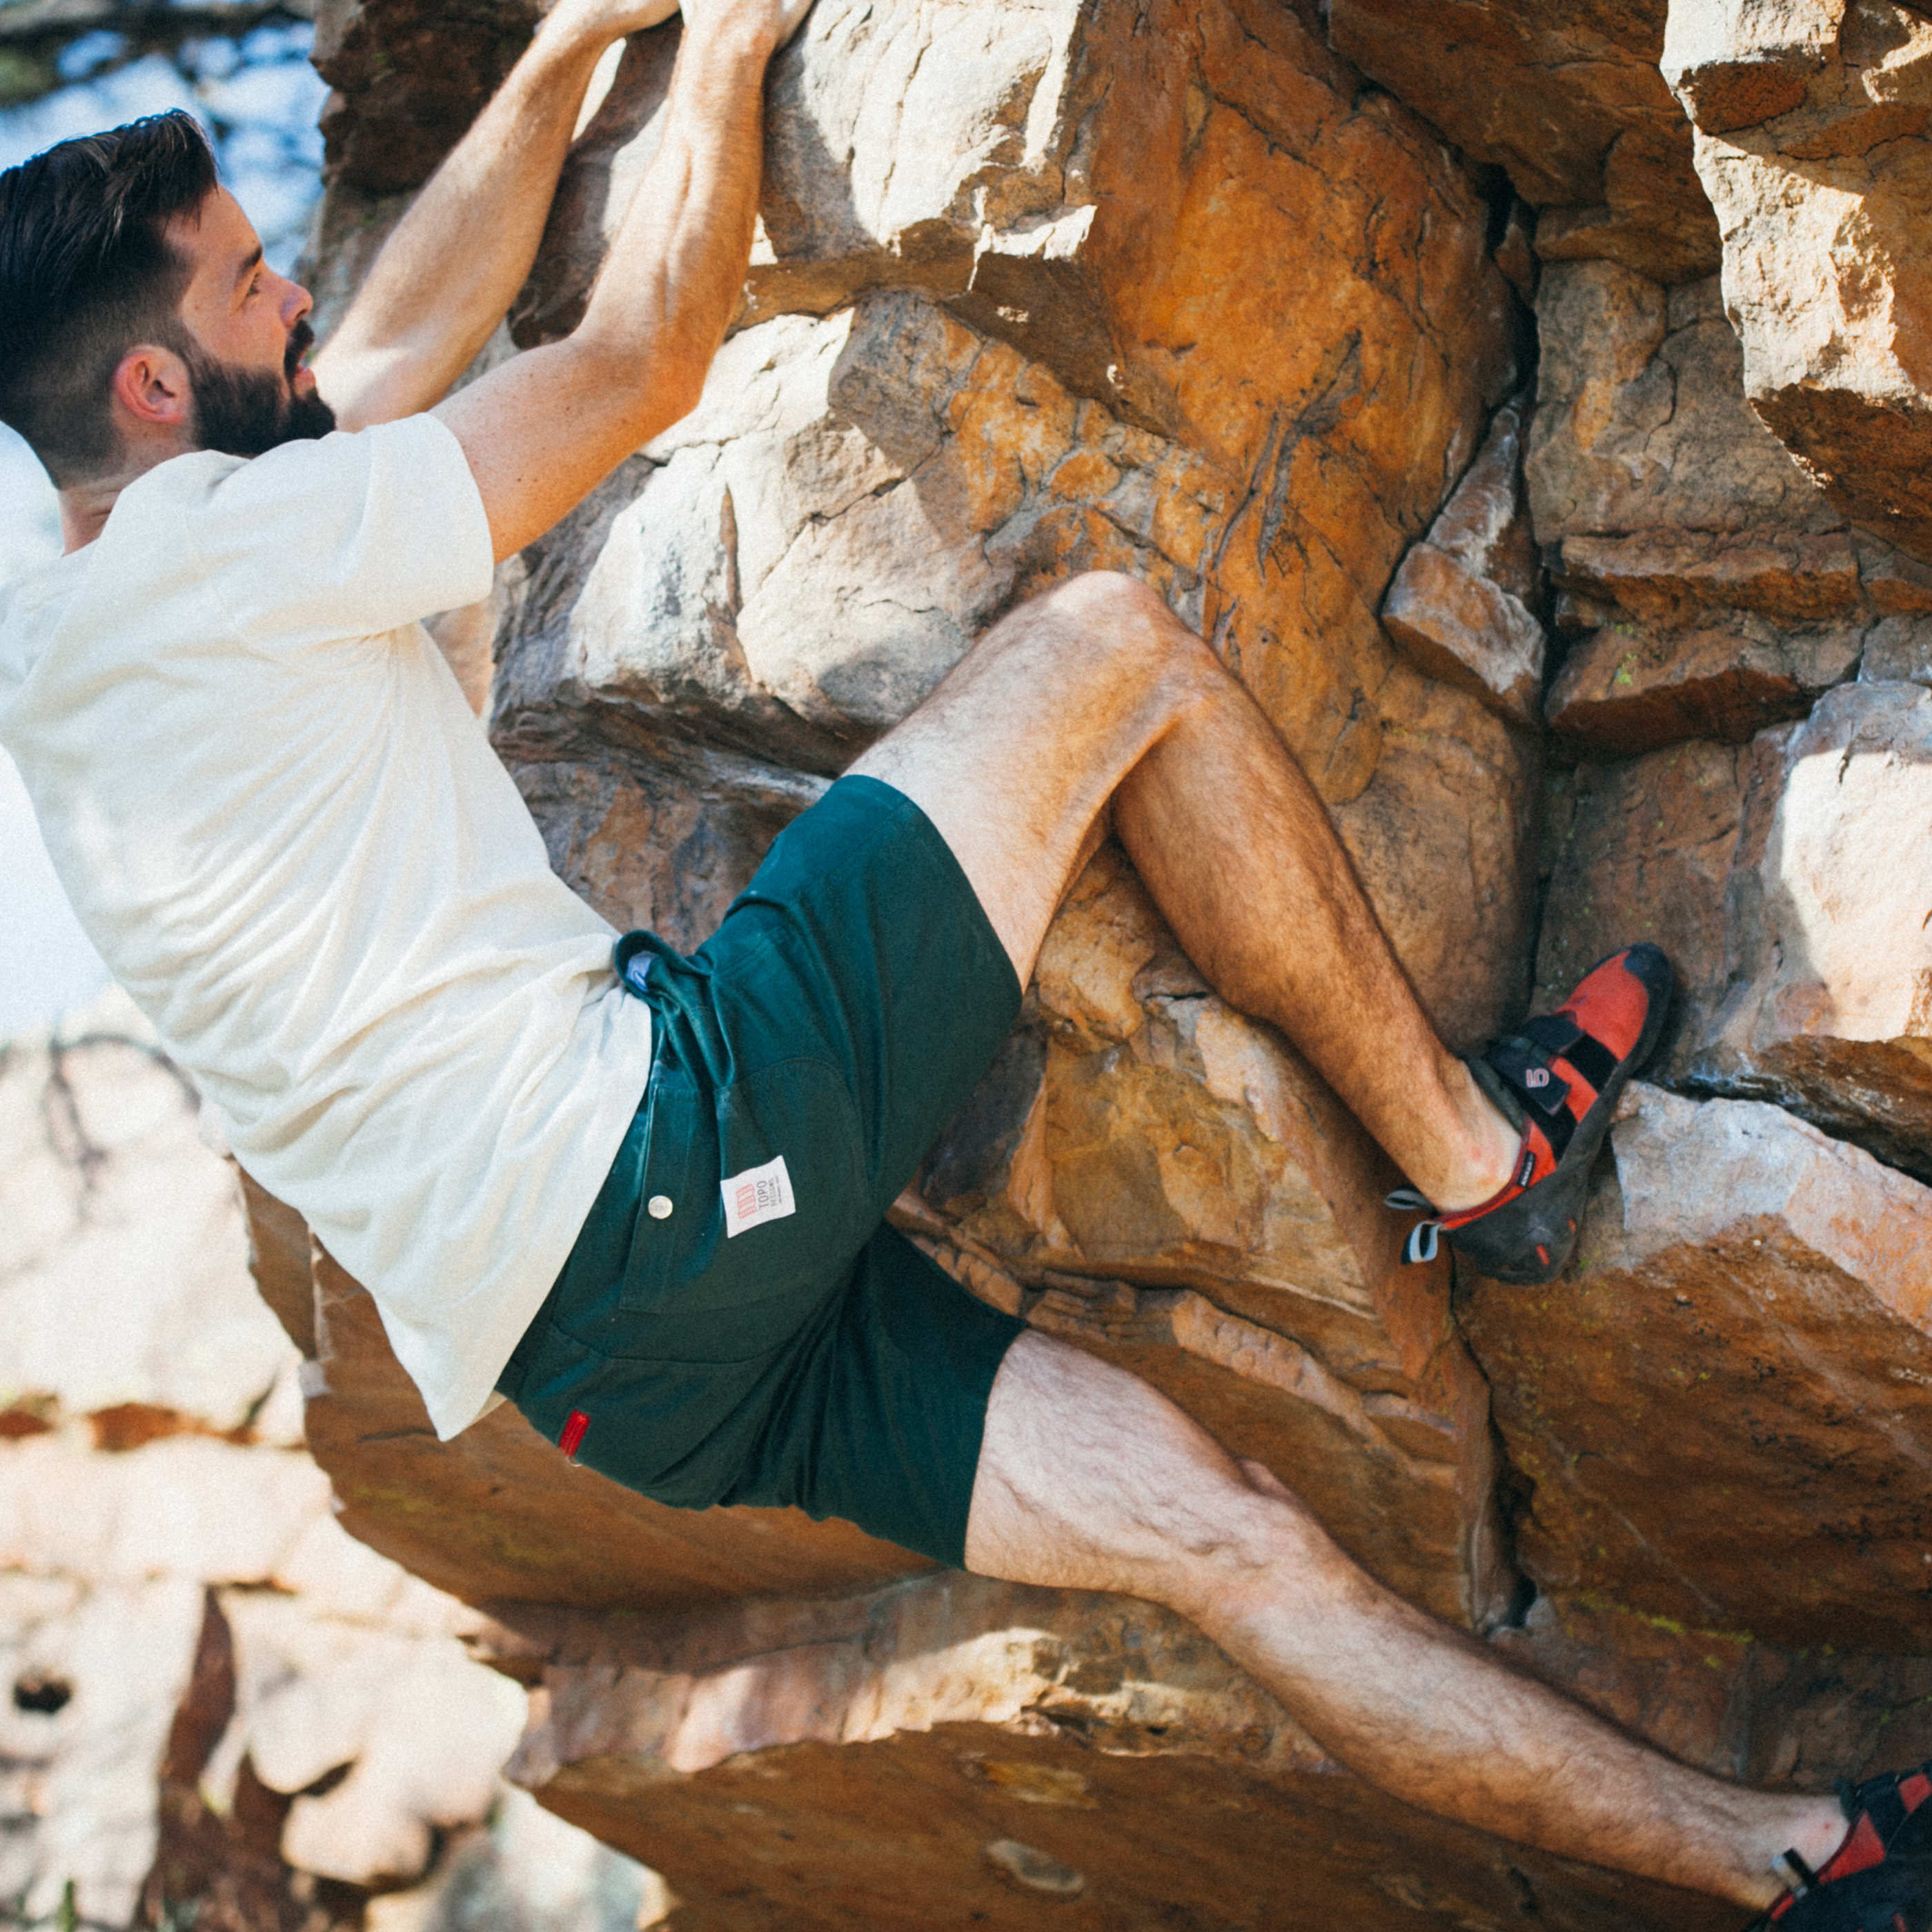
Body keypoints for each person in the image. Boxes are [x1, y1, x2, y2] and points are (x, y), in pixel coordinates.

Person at [0, 2, 1921, 1926]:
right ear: (157, 388)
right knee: (1110, 648)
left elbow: (391, 344)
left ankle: (1797, 1864)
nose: (297, 301)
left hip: (604, 1380)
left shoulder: (70, 611)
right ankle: (1480, 1159)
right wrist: (725, 49)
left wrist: (573, 42)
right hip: (663, 1166)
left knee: (1226, 1539)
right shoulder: (222, 553)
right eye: (250, 285)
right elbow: (639, 359)